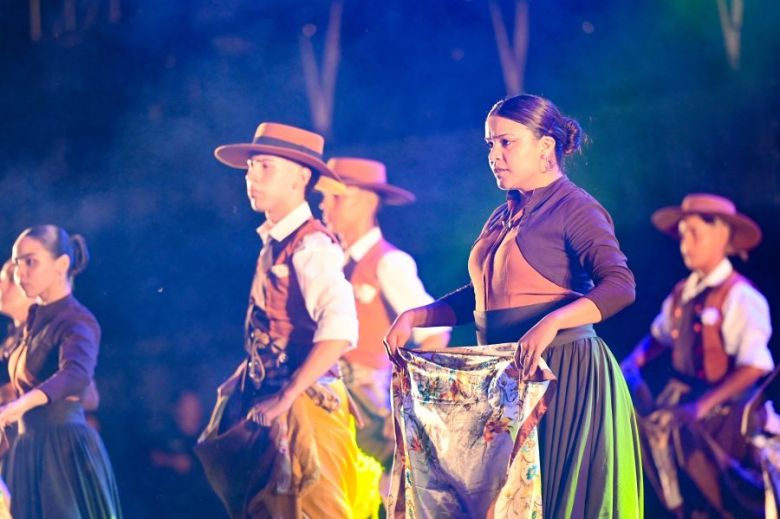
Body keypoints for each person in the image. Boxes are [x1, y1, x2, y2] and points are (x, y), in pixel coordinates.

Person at [385, 93, 643, 517]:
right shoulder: (502, 215)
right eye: (490, 144)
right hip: (507, 376)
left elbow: (620, 285)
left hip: (563, 372)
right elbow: (482, 293)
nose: (495, 155)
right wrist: (417, 315)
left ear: (545, 147)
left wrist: (553, 322)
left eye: (508, 142)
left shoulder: (575, 207)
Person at [196, 122, 382, 518]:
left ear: (300, 178)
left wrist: (287, 394)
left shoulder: (313, 244)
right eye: (250, 168)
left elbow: (341, 328)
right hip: (279, 411)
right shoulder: (277, 242)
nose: (251, 177)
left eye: (265, 167)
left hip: (305, 414)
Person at [621, 193, 773, 517]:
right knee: (682, 493)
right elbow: (657, 336)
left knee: (727, 499)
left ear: (721, 236)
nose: (685, 243)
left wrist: (700, 407)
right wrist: (632, 363)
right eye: (682, 234)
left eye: (695, 234)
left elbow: (756, 365)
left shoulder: (739, 295)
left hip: (726, 418)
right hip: (683, 409)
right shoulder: (682, 293)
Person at [319, 157, 450, 472]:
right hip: (339, 397)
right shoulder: (335, 262)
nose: (324, 206)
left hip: (372, 404)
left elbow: (436, 328)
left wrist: (409, 401)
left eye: (336, 197)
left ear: (366, 202)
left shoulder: (389, 263)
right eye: (323, 198)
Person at [0, 225, 122, 518]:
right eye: (17, 263)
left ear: (61, 265)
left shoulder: (77, 319)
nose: (20, 273)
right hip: (30, 447)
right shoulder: (34, 321)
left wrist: (20, 405)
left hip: (61, 447)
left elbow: (76, 376)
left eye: (30, 261)